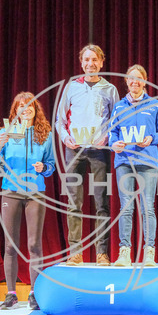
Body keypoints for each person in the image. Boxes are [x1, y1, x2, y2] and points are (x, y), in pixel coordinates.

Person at [0, 92, 55, 310]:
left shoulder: (45, 134)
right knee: (10, 245)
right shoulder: (5, 133)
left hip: (35, 193)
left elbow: (51, 165)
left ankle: (34, 293)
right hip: (11, 192)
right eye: (21, 106)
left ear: (36, 109)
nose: (26, 110)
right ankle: (11, 294)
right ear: (15, 111)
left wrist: (43, 168)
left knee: (34, 244)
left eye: (30, 106)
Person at [55, 44, 119, 266]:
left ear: (101, 62)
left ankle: (102, 253)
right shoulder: (72, 87)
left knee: (102, 202)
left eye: (94, 60)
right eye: (87, 60)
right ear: (81, 63)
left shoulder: (110, 89)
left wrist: (107, 137)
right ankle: (75, 252)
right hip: (74, 150)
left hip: (99, 151)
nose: (90, 64)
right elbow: (60, 119)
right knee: (74, 202)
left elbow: (116, 120)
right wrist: (65, 138)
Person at [109, 64, 158, 267]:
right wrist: (114, 144)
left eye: (139, 78)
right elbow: (112, 132)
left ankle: (149, 252)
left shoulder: (155, 105)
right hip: (124, 161)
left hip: (147, 161)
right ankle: (124, 253)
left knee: (147, 207)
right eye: (131, 78)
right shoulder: (119, 107)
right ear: (126, 81)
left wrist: (152, 138)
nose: (135, 82)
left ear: (145, 81)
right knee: (126, 207)